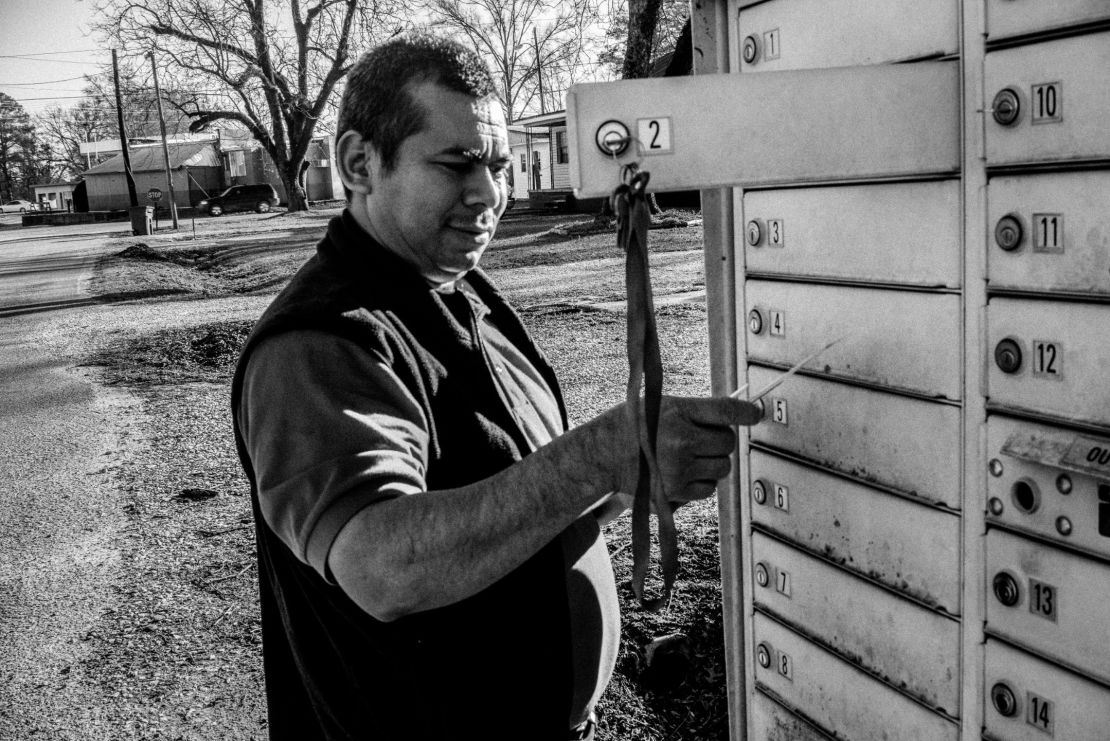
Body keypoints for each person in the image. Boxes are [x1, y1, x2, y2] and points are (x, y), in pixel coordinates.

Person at [231, 33, 761, 741]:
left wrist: (633, 475)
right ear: (359, 163)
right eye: (459, 163)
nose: (490, 195)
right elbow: (381, 565)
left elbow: (530, 506)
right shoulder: (320, 344)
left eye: (501, 166)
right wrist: (601, 452)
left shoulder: (461, 292)